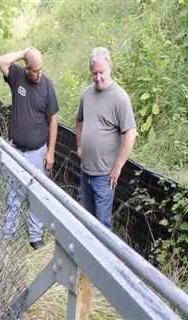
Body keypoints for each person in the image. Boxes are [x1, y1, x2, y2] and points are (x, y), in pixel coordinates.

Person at [0, 47, 59, 250]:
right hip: (16, 150)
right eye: (35, 70)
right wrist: (24, 52)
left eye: (41, 69)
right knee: (13, 194)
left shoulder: (47, 86)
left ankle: (35, 237)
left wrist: (50, 152)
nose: (39, 73)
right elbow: (1, 61)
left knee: (36, 196)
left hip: (37, 152)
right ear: (26, 68)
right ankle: (8, 235)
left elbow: (53, 120)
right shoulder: (17, 77)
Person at [75, 47, 137, 229]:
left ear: (109, 68)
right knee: (86, 220)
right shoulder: (86, 94)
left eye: (101, 72)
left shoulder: (120, 98)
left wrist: (117, 168)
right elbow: (78, 121)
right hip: (85, 171)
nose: (98, 77)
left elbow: (130, 134)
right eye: (94, 73)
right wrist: (79, 146)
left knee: (102, 225)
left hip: (104, 176)